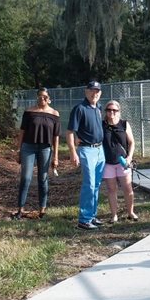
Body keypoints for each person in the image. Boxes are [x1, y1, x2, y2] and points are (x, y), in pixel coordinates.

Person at [13, 88, 60, 220]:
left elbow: (56, 136)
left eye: (45, 96)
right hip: (28, 147)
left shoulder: (54, 114)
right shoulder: (29, 112)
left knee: (42, 179)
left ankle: (42, 209)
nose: (42, 99)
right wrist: (19, 150)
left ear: (49, 98)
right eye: (39, 96)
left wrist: (55, 156)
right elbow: (22, 131)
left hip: (45, 148)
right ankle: (20, 209)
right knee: (26, 178)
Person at [67, 80, 105, 230]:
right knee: (89, 185)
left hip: (100, 150)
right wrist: (72, 152)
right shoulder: (79, 108)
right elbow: (70, 132)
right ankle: (84, 219)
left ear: (100, 93)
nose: (94, 93)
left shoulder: (99, 108)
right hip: (86, 150)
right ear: (86, 91)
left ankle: (92, 216)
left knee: (96, 185)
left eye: (97, 91)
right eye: (91, 90)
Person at [102, 100, 138, 223]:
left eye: (114, 110)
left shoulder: (124, 124)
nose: (111, 112)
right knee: (112, 189)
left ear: (119, 111)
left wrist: (129, 157)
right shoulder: (102, 125)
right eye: (109, 110)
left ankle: (130, 212)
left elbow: (131, 142)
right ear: (105, 111)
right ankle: (114, 215)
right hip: (108, 163)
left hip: (123, 162)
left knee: (127, 188)